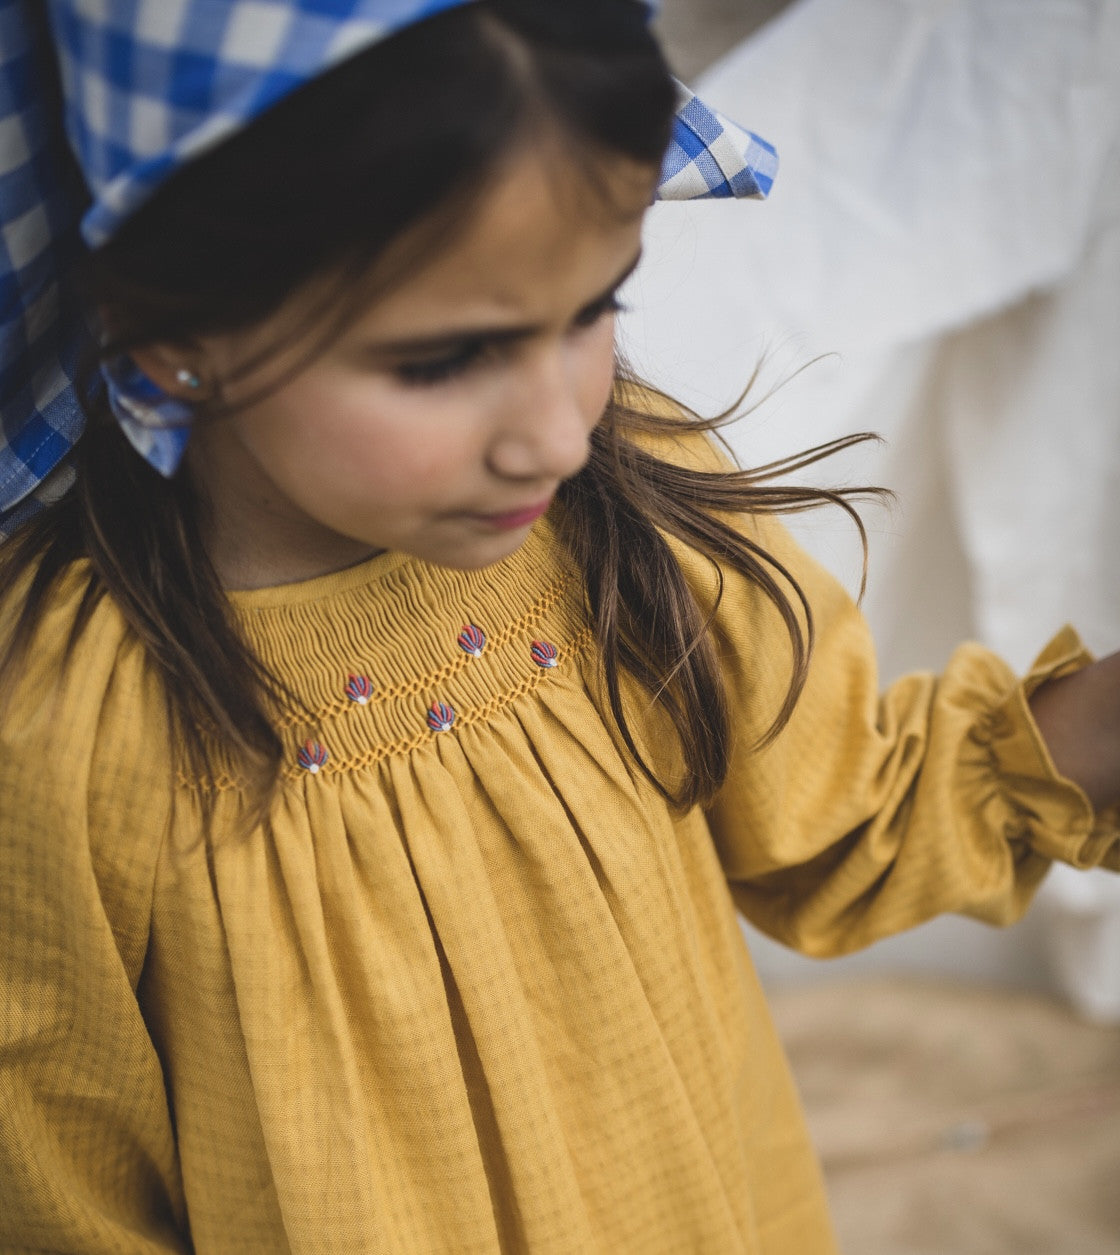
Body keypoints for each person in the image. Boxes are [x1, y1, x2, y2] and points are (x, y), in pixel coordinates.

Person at [0, 2, 1115, 1252]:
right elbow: (58, 1181)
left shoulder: (621, 530)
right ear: (178, 340)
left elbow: (856, 811)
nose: (557, 431)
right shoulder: (60, 720)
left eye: (595, 310)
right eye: (445, 360)